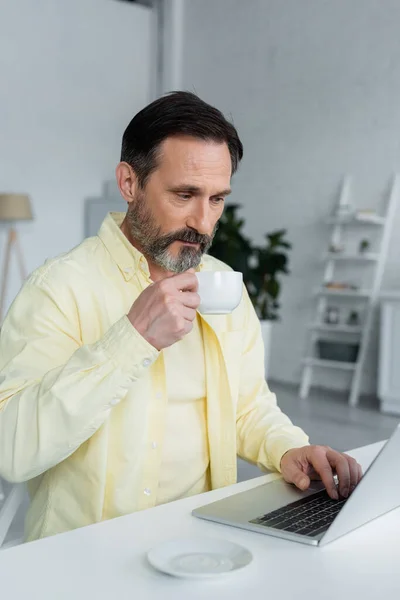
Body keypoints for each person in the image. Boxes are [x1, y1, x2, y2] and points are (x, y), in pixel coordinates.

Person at [0, 92, 362, 542]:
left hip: (200, 547)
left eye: (217, 199)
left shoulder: (224, 284)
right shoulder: (59, 287)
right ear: (129, 183)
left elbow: (248, 407)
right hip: (82, 554)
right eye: (185, 194)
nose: (203, 221)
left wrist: (289, 449)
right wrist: (131, 339)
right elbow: (11, 450)